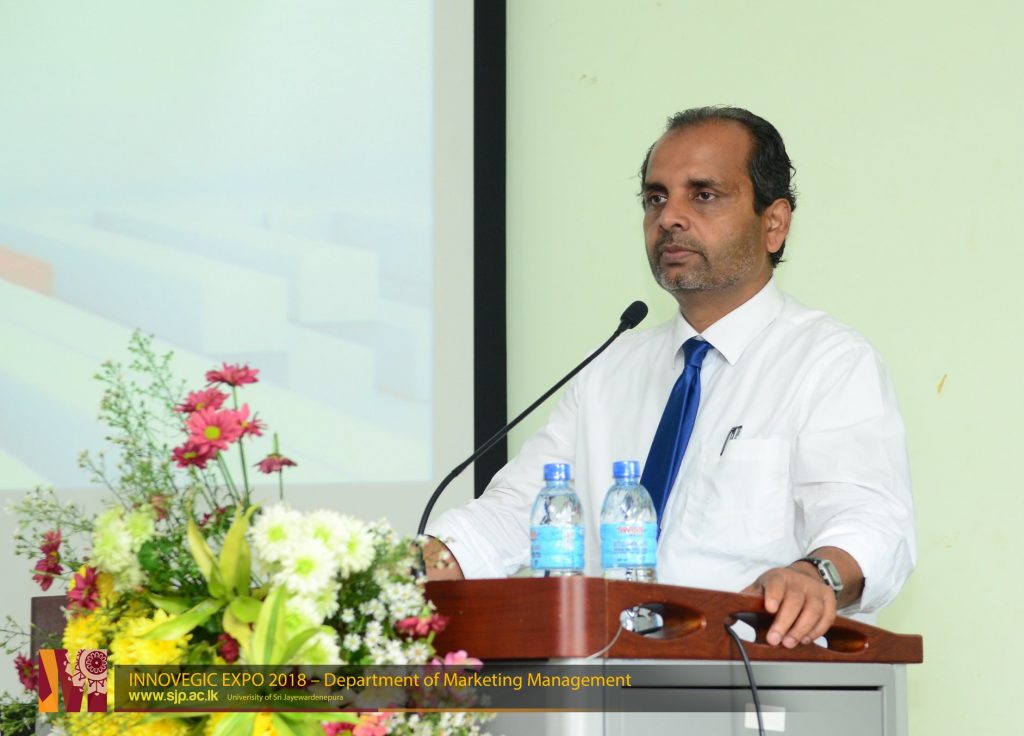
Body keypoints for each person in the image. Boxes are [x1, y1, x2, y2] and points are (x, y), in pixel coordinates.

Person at [424, 106, 916, 650]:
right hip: (606, 675)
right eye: (656, 198)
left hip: (754, 673)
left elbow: (871, 523)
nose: (670, 218)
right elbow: (518, 510)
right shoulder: (608, 369)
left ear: (773, 223)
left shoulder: (828, 362)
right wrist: (412, 568)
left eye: (703, 195)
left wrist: (812, 575)